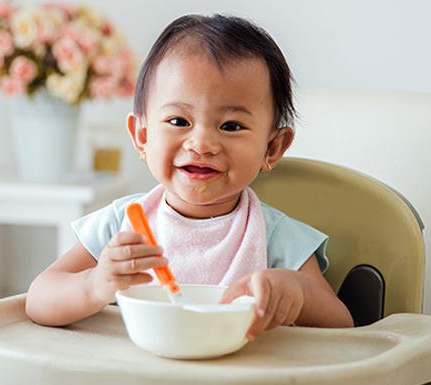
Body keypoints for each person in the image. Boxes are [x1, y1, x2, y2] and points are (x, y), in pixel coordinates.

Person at [26, 14, 353, 340]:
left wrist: (296, 291)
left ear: (272, 147)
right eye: (179, 121)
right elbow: (39, 299)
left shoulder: (275, 236)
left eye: (231, 126)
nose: (201, 144)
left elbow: (342, 324)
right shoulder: (121, 227)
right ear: (142, 136)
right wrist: (94, 284)